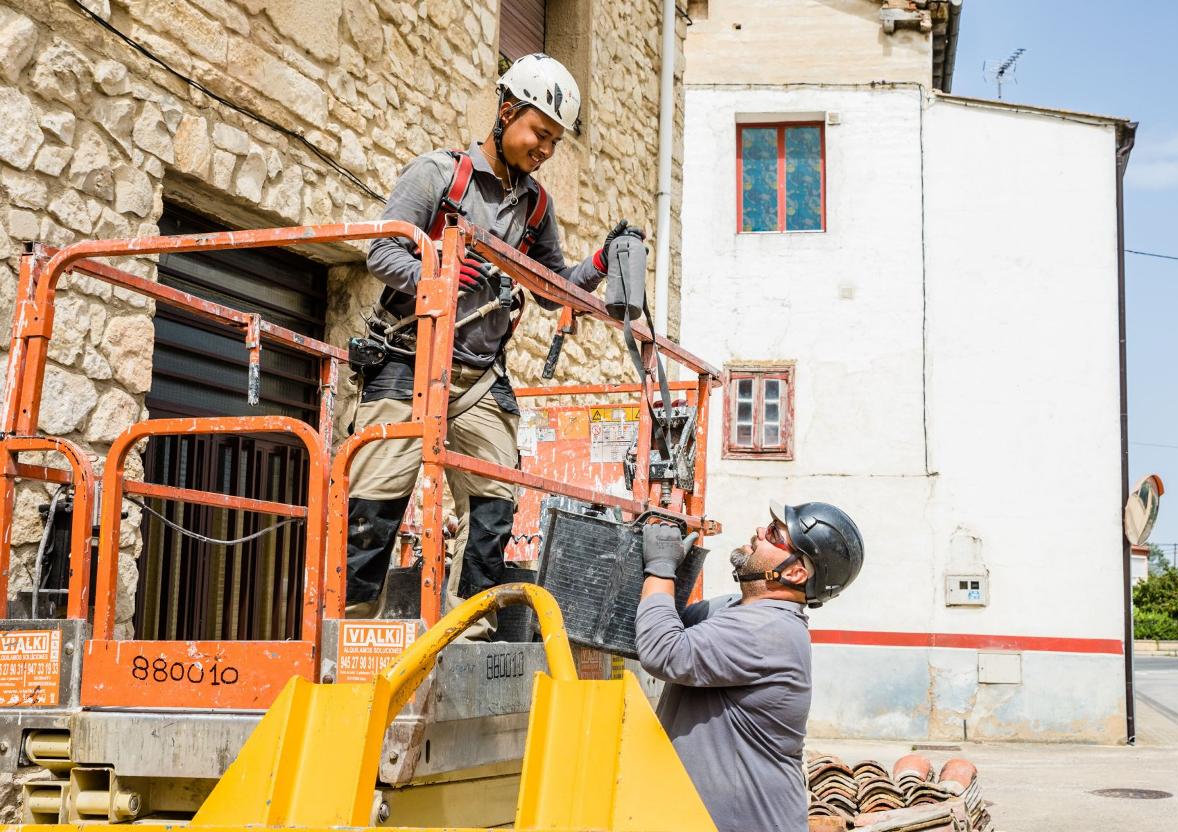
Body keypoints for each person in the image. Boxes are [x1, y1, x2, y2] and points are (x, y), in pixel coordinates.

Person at [347, 53, 630, 622]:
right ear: (506, 112)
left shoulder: (536, 208)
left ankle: (465, 630)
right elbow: (379, 252)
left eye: (554, 142)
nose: (545, 151)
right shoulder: (436, 175)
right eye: (538, 134)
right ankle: (349, 629)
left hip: (478, 376)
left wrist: (600, 260)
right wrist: (437, 274)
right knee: (373, 504)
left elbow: (552, 289)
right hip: (408, 357)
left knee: (495, 508)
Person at [634, 500, 865, 832]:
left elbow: (663, 650)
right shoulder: (736, 610)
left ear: (795, 572)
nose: (759, 531)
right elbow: (654, 624)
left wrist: (660, 566)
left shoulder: (769, 630)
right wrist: (668, 567)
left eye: (773, 533)